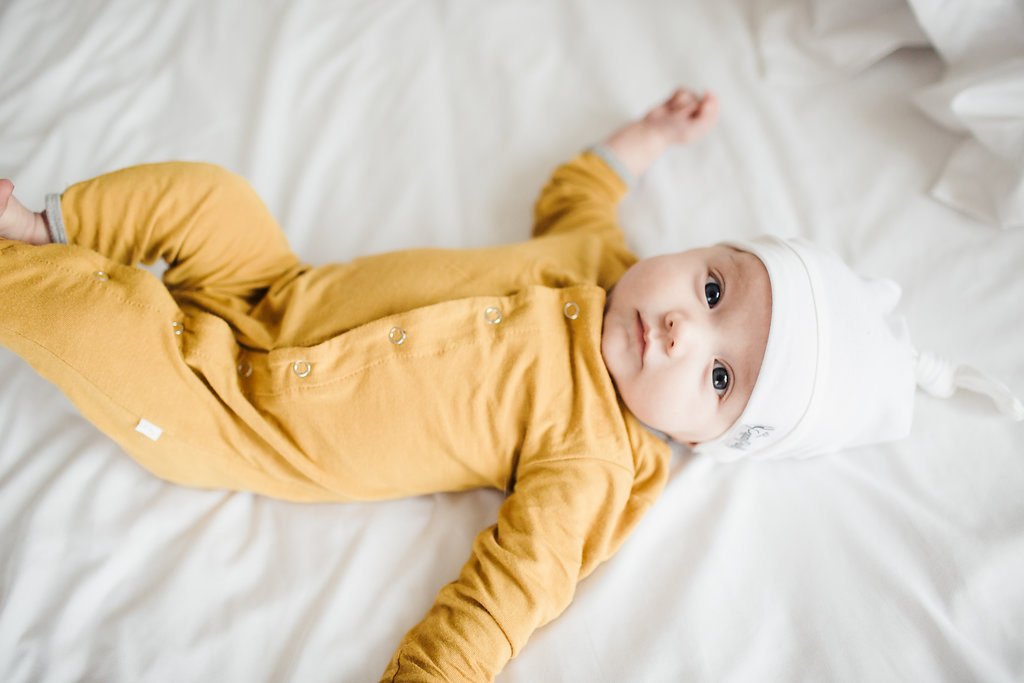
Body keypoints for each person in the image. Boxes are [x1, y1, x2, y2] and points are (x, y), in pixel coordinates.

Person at [0, 87, 1019, 681]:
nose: (676, 324)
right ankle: (39, 220)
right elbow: (575, 189)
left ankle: (20, 268)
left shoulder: (592, 457)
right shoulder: (592, 258)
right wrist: (647, 139)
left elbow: (499, 603)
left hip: (243, 416)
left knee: (101, 316)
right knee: (210, 198)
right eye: (712, 284)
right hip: (277, 288)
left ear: (711, 436)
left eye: (717, 372)